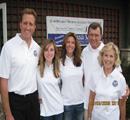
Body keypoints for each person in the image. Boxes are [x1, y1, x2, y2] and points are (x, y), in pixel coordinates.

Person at [82, 22, 129, 120]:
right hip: (89, 103)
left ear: (101, 36)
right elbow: (83, 75)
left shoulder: (106, 51)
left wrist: (126, 88)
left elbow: (119, 74)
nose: (93, 38)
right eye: (91, 35)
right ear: (87, 35)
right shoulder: (84, 52)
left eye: (96, 35)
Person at [0, 8, 40, 120]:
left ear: (35, 27)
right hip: (15, 102)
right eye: (25, 23)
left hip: (33, 101)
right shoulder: (8, 47)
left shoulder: (37, 48)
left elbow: (38, 75)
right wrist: (8, 114)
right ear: (20, 25)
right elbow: (3, 82)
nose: (28, 27)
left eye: (31, 24)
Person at [88, 42, 126, 120]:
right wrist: (89, 118)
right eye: (106, 55)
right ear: (102, 57)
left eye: (111, 56)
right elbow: (91, 99)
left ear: (115, 59)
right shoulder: (95, 75)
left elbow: (122, 104)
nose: (108, 59)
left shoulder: (120, 78)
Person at [37, 39, 63, 120]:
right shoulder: (37, 69)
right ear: (43, 52)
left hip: (58, 109)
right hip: (45, 111)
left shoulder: (59, 67)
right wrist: (36, 95)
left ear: (55, 52)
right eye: (46, 50)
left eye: (51, 50)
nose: (49, 53)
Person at [60, 32, 84, 120]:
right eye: (68, 42)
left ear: (75, 45)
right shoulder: (59, 62)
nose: (70, 45)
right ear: (65, 44)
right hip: (67, 103)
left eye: (73, 42)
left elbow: (86, 78)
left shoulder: (81, 60)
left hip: (80, 102)